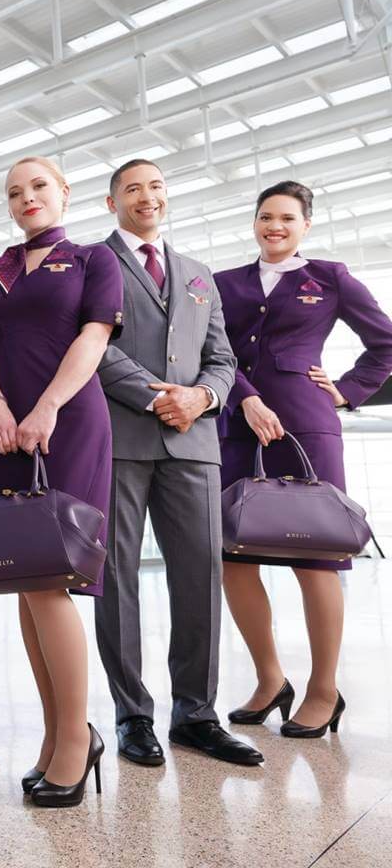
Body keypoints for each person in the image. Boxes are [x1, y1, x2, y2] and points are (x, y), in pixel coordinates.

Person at [0, 156, 120, 807]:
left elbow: (96, 334)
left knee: (53, 579)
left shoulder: (90, 261)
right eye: (15, 192)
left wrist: (48, 404)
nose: (27, 198)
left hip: (69, 422)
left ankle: (76, 744)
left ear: (64, 193)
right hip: (2, 431)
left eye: (39, 187)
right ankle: (61, 734)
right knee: (24, 583)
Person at [94, 159, 264, 767]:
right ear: (112, 202)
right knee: (115, 581)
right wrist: (156, 395)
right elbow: (92, 346)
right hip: (120, 440)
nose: (148, 196)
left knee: (199, 577)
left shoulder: (197, 275)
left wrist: (203, 397)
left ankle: (196, 714)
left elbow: (223, 357)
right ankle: (132, 715)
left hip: (194, 443)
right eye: (133, 188)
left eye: (157, 186)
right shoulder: (95, 263)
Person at [214, 180, 392, 738]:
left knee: (316, 559)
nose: (276, 226)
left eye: (288, 218)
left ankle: (323, 689)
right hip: (238, 429)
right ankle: (271, 680)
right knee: (233, 555)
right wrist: (246, 398)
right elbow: (211, 350)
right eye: (267, 216)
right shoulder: (223, 284)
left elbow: (386, 343)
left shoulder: (331, 278)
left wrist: (346, 390)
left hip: (308, 426)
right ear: (255, 222)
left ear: (306, 225)